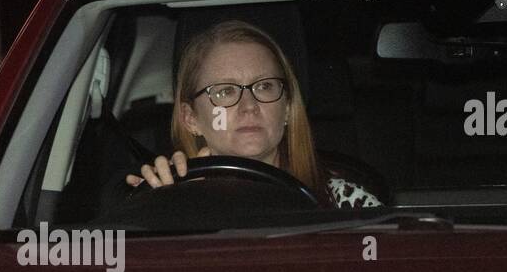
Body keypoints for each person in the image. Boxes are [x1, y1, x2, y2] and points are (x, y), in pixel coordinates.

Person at [125, 19, 382, 208]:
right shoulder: (169, 200)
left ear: (287, 109)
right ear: (190, 118)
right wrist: (159, 208)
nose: (249, 105)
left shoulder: (343, 205)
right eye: (225, 91)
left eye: (264, 86)